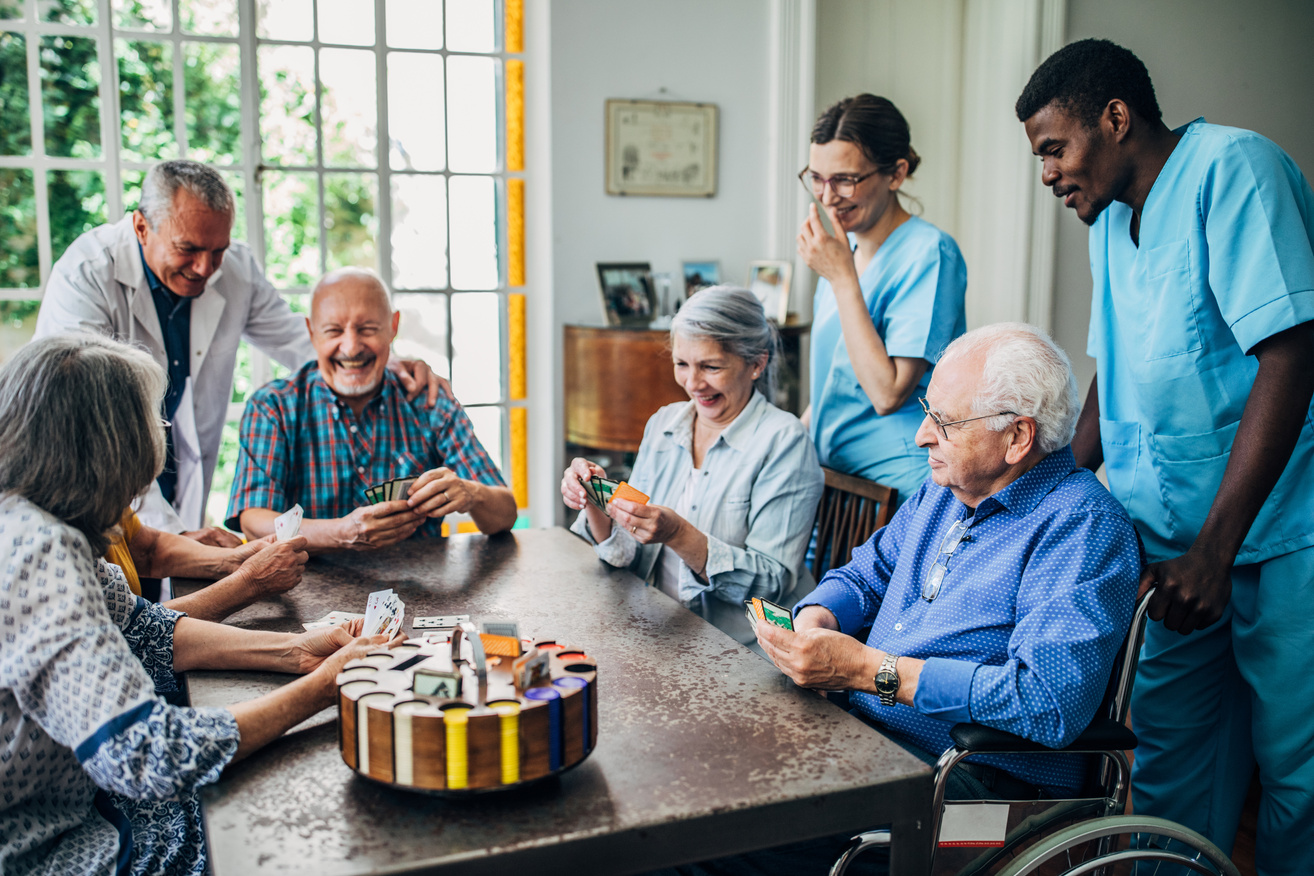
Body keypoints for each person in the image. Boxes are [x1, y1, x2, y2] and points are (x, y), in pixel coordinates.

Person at [660, 324, 1140, 876]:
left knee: (697, 839)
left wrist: (871, 670)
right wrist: (817, 617)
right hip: (869, 736)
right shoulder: (945, 489)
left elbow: (1046, 703)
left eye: (945, 421)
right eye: (926, 411)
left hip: (971, 785)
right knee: (688, 777)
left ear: (1017, 438)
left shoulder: (1080, 526)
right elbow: (867, 572)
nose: (921, 436)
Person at [1016, 39, 1314, 874]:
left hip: (1279, 536)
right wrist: (1046, 491)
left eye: (1053, 148)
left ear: (1116, 118)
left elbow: (1292, 351)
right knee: (1172, 767)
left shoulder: (1236, 170)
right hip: (1166, 553)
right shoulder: (1110, 222)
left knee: (1299, 776)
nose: (1046, 174)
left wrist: (1217, 550)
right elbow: (1118, 369)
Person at [0, 333, 393, 876]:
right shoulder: (38, 551)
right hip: (47, 851)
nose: (155, 442)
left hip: (79, 804)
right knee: (279, 842)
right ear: (109, 450)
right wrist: (323, 689)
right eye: (150, 425)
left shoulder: (31, 516)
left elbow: (142, 629)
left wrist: (297, 649)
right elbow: (150, 754)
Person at [34, 159, 446, 540]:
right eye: (188, 249)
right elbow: (89, 426)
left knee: (167, 602)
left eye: (218, 250)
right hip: (89, 477)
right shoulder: (86, 275)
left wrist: (392, 365)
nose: (205, 268)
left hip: (172, 463)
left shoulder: (234, 270)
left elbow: (300, 341)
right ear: (142, 227)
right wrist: (169, 539)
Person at [562, 286, 824, 646]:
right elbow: (627, 555)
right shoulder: (664, 424)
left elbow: (771, 585)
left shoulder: (784, 442)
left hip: (742, 649)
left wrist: (678, 535)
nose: (692, 383)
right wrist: (597, 501)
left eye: (711, 367)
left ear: (757, 364)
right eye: (681, 364)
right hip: (660, 628)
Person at [227, 267, 517, 550]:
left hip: (421, 590)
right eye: (334, 331)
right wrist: (341, 532)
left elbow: (506, 514)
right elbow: (254, 523)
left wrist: (473, 494)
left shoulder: (429, 400)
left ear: (393, 326)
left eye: (367, 329)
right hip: (303, 585)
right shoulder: (273, 407)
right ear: (311, 332)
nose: (351, 347)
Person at [798, 94, 967, 508]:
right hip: (832, 482)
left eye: (845, 179)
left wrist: (841, 279)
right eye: (816, 178)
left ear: (896, 174)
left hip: (896, 486)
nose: (827, 196)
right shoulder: (844, 252)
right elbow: (835, 379)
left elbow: (888, 392)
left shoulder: (929, 253)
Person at [104, 507, 308, 622]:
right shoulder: (73, 539)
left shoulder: (110, 498)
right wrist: (250, 582)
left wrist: (231, 559)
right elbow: (135, 627)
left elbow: (149, 549)